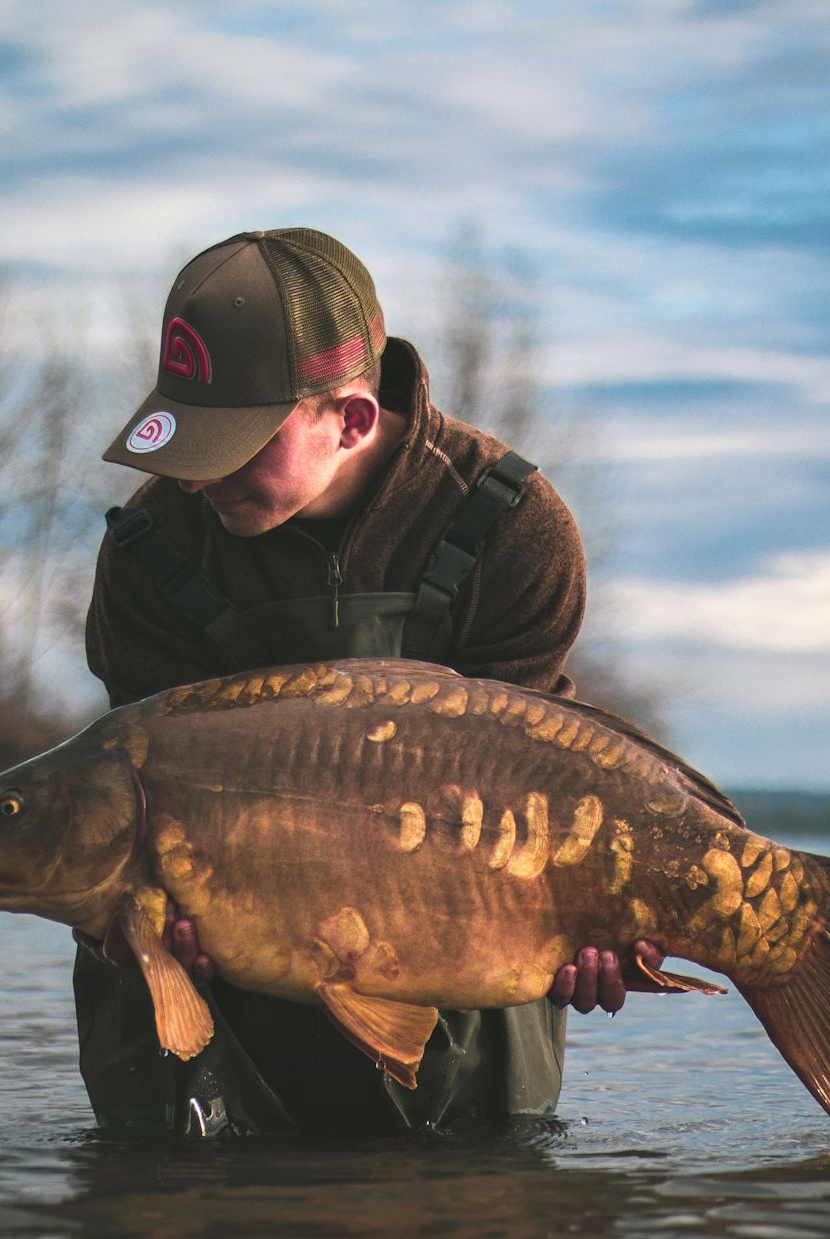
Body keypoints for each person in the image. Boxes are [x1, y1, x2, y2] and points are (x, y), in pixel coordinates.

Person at [76, 227, 654, 1136]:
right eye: (189, 441)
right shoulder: (149, 554)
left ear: (349, 419)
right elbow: (124, 816)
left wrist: (584, 928)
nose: (194, 481)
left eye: (232, 444)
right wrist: (131, 916)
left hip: (456, 968)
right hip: (214, 1011)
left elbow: (539, 788)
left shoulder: (511, 527)